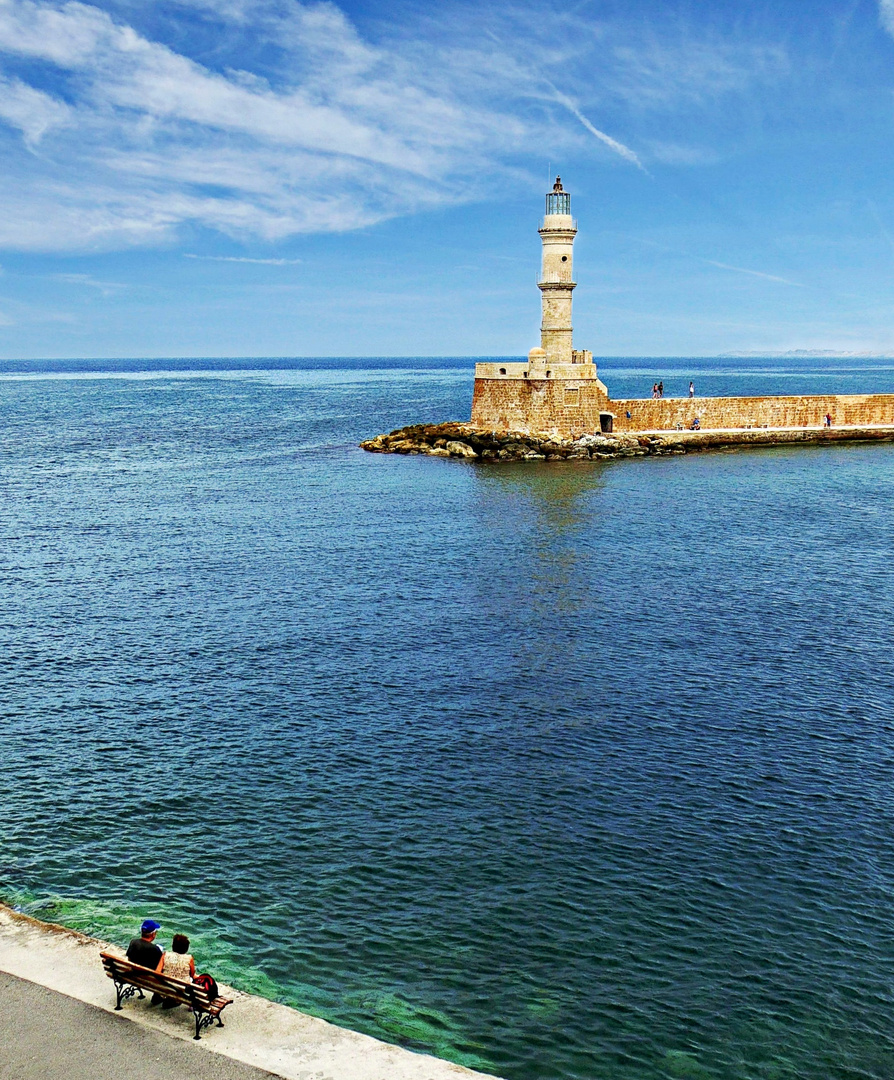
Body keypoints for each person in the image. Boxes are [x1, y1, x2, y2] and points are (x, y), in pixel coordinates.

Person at [156, 933, 196, 1009]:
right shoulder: (189, 958)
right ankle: (190, 1006)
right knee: (192, 980)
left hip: (165, 987)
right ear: (186, 948)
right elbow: (192, 974)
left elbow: (157, 972)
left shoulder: (165, 955)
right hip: (181, 990)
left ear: (173, 946)